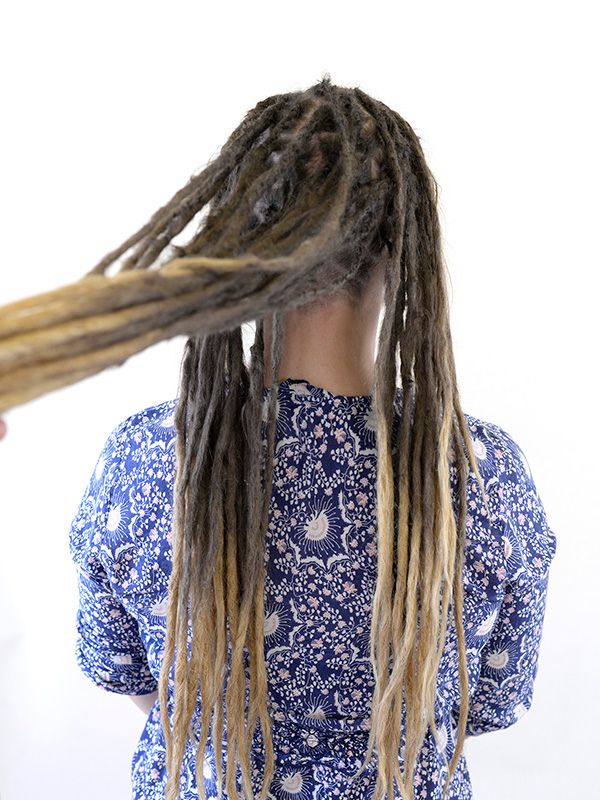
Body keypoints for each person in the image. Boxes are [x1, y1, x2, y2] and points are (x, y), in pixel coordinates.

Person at [65, 76, 557, 800]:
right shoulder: (484, 477)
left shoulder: (143, 462)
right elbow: (487, 706)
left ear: (244, 254)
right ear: (400, 253)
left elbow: (126, 672)